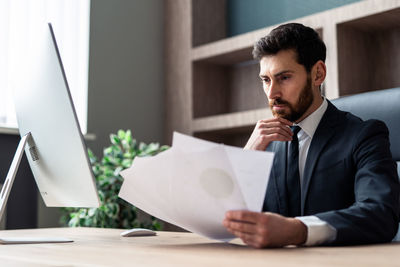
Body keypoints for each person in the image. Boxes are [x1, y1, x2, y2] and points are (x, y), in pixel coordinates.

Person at [222, 23, 399, 248]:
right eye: (266, 80)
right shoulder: (262, 143)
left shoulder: (364, 135)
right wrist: (246, 158)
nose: (272, 93)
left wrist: (297, 231)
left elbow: (380, 214)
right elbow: (226, 218)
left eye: (284, 77)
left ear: (318, 74)